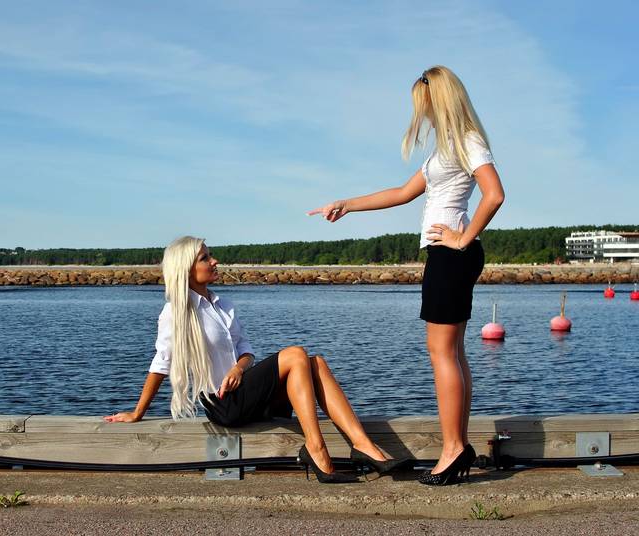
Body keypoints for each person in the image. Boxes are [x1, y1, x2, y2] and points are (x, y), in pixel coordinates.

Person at [308, 66, 505, 486]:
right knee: (452, 353)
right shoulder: (445, 149)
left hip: (452, 254)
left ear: (440, 100)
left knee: (442, 353)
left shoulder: (468, 140)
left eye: (424, 104)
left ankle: (453, 450)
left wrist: (462, 238)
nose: (421, 112)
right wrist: (347, 204)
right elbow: (401, 193)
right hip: (446, 255)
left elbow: (495, 194)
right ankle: (457, 446)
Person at [105, 236, 410, 483]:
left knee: (315, 362)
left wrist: (239, 368)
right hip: (223, 404)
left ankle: (363, 445)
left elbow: (246, 351)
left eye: (211, 256)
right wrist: (138, 412)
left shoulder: (223, 305)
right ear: (186, 268)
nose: (215, 261)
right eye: (205, 258)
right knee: (296, 354)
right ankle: (317, 449)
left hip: (245, 393)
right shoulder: (176, 312)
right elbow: (161, 363)